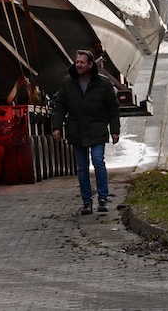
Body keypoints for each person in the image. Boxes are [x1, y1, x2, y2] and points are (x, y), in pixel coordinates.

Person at [51, 49, 120, 215]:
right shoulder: (68, 83)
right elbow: (60, 106)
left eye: (82, 62)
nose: (79, 65)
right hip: (77, 129)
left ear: (90, 65)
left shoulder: (103, 84)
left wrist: (115, 130)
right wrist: (56, 126)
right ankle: (87, 201)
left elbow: (113, 108)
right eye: (77, 62)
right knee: (82, 167)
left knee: (98, 161)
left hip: (97, 128)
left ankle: (102, 198)